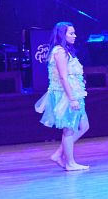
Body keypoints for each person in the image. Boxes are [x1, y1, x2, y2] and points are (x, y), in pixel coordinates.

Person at [34, 21, 90, 171]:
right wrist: (71, 99)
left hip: (75, 93)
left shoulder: (67, 51)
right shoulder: (59, 52)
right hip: (66, 95)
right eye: (71, 33)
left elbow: (70, 74)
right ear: (62, 35)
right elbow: (63, 77)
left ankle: (59, 154)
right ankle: (70, 163)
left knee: (84, 126)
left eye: (74, 32)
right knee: (69, 129)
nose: (74, 35)